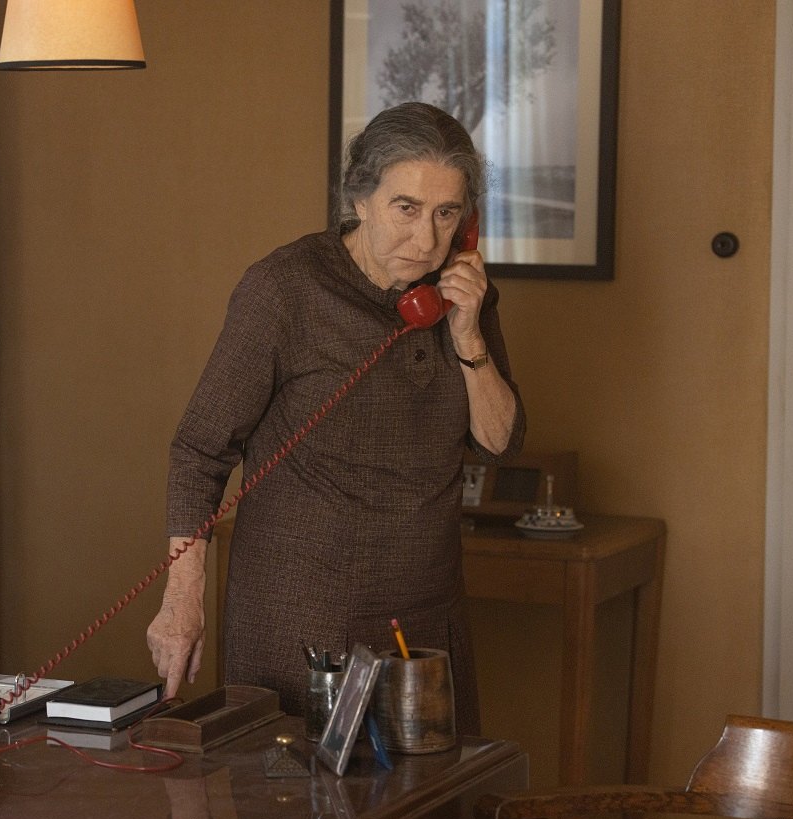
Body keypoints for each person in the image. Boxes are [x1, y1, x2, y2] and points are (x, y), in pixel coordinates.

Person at [145, 102, 525, 736]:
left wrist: (467, 334)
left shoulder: (463, 297)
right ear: (359, 199)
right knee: (302, 795)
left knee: (434, 796)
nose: (426, 240)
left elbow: (500, 443)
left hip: (427, 613)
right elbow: (199, 450)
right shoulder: (285, 289)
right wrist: (182, 600)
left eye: (446, 214)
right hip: (302, 615)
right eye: (406, 208)